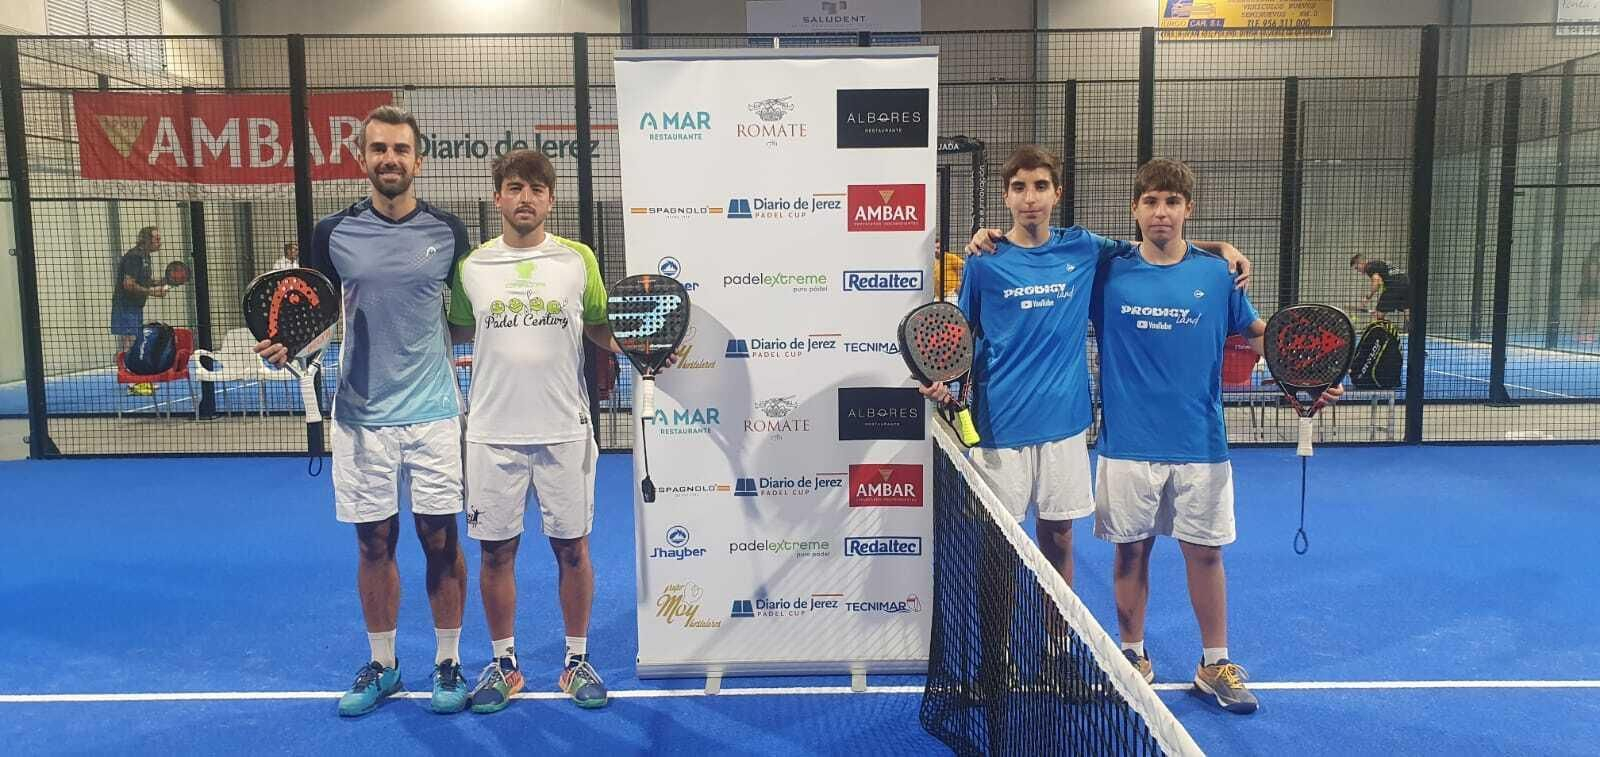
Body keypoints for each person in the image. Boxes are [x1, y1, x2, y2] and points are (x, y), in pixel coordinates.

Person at [933, 145, 1251, 587]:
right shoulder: (984, 262)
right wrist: (944, 382)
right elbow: (959, 334)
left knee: (1060, 538)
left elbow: (1157, 244)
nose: (1030, 198)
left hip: (1064, 424)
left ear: (1057, 194)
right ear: (1006, 196)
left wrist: (1221, 247)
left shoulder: (1083, 247)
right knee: (1000, 543)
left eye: (1040, 186)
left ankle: (1058, 641)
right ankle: (998, 649)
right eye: (1019, 188)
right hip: (999, 424)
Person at [1090, 158, 1342, 714]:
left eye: (1172, 203)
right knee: (1131, 554)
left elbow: (1259, 337)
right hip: (1128, 443)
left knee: (1205, 555)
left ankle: (1214, 662)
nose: (1161, 212)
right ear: (1135, 209)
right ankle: (1133, 654)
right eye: (1151, 202)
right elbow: (1050, 255)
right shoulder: (1106, 270)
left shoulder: (1214, 274)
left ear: (1187, 210)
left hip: (1201, 443)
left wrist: (1305, 378)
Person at [255, 105, 473, 717]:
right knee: (375, 543)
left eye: (400, 149)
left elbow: (462, 322)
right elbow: (312, 316)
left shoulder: (450, 231)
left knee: (440, 538)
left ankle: (448, 661)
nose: (390, 160)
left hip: (432, 412)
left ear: (418, 160)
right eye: (379, 149)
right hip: (358, 415)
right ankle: (383, 663)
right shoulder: (333, 233)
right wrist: (287, 346)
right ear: (363, 158)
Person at [446, 149, 624, 713]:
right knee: (496, 553)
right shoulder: (471, 267)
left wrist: (641, 350)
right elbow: (450, 330)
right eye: (515, 187)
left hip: (565, 431)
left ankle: (575, 661)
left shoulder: (578, 260)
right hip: (491, 435)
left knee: (573, 549)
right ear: (497, 197)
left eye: (537, 189)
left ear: (551, 199)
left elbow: (598, 325)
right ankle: (504, 664)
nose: (526, 198)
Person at [111, 226, 166, 395]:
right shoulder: (135, 257)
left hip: (135, 307)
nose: (160, 242)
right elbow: (128, 284)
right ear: (146, 240)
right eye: (156, 239)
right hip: (126, 306)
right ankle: (132, 382)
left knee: (133, 342)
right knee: (130, 343)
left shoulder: (145, 257)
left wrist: (167, 280)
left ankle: (134, 378)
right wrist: (153, 292)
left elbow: (145, 281)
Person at [1351, 253, 1410, 325]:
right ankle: (1413, 332)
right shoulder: (1379, 263)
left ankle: (1381, 333)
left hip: (1394, 286)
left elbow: (1377, 282)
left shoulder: (1369, 267)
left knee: (1378, 315)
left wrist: (1367, 298)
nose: (1358, 271)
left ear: (1361, 263)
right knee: (1407, 310)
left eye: (1357, 268)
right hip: (1407, 283)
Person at [1578, 243, 1599, 344]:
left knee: (1586, 311)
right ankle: (1587, 334)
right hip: (1592, 288)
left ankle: (1583, 334)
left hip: (1586, 287)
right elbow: (1593, 275)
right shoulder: (1593, 261)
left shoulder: (1587, 260)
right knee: (1592, 312)